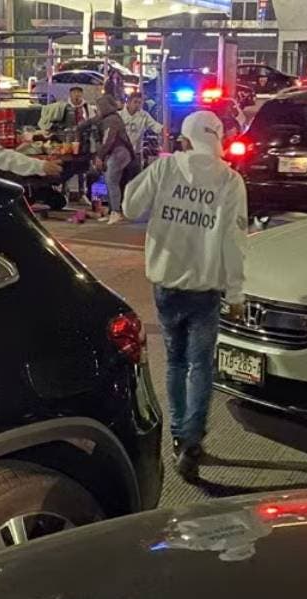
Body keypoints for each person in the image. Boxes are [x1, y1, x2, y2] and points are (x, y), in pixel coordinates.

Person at [122, 110, 248, 482]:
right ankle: (192, 438)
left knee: (175, 363)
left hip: (167, 285)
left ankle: (179, 437)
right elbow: (234, 241)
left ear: (187, 136)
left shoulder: (166, 169)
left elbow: (130, 207)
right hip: (205, 289)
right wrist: (237, 291)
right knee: (201, 365)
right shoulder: (229, 180)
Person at [89, 94, 135, 225]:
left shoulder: (112, 120)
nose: (97, 110)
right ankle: (111, 211)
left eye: (98, 107)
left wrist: (100, 156)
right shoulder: (109, 119)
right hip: (116, 153)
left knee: (111, 181)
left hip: (119, 153)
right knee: (109, 182)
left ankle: (115, 212)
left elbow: (108, 140)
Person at [119, 92, 163, 171]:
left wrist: (162, 129)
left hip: (136, 153)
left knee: (136, 179)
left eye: (139, 103)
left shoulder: (144, 115)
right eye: (135, 102)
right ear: (128, 102)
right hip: (122, 153)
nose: (137, 105)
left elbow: (154, 125)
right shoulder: (119, 115)